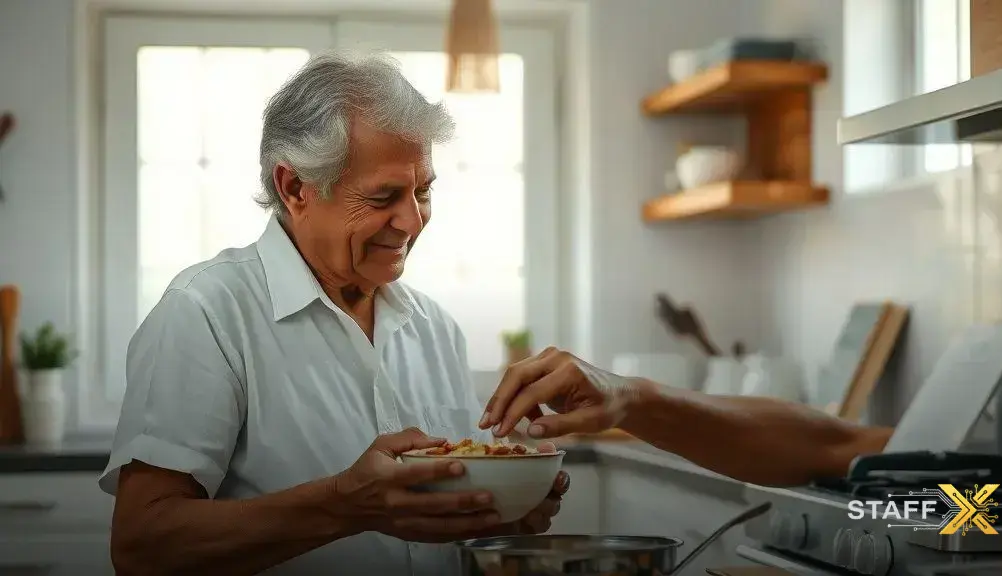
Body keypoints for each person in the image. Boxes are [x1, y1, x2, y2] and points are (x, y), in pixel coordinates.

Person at [99, 52, 566, 576]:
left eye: (424, 191)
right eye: (384, 195)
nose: (412, 220)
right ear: (295, 188)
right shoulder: (206, 312)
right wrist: (342, 505)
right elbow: (141, 548)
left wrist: (499, 513)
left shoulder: (435, 329)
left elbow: (434, 525)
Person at [481, 348, 894, 487]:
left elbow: (840, 447)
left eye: (425, 192)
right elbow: (839, 444)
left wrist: (629, 396)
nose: (414, 217)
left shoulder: (958, 503)